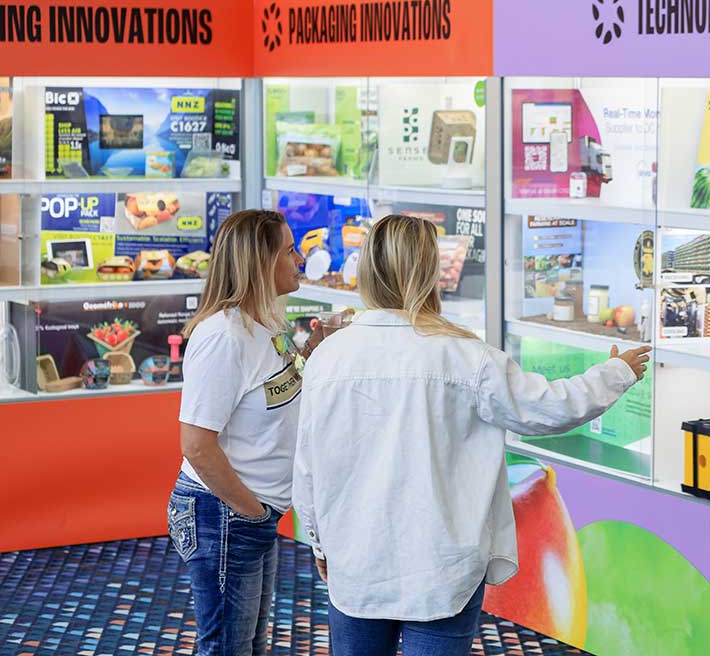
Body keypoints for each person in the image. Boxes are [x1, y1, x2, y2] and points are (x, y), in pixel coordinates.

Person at [293, 214, 650, 656]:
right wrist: (616, 373)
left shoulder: (328, 357)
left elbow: (308, 466)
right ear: (429, 273)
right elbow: (549, 409)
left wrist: (319, 542)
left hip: (356, 561)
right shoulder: (466, 357)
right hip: (442, 568)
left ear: (367, 270)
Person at [166, 209, 332, 656]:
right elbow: (197, 446)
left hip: (251, 513)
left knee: (249, 645)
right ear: (260, 263)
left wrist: (314, 350)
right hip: (224, 513)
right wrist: (252, 512)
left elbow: (275, 393)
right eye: (289, 250)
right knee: (227, 647)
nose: (299, 259)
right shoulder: (223, 337)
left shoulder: (267, 323)